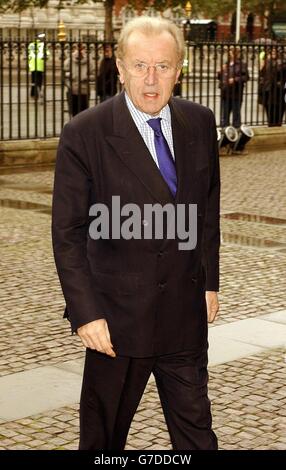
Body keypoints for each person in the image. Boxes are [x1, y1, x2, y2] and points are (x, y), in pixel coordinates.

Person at [52, 16, 220, 451]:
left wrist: (209, 280)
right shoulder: (85, 133)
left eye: (163, 66)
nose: (151, 79)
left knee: (198, 439)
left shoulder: (199, 122)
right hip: (117, 326)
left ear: (179, 70)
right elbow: (68, 233)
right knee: (104, 442)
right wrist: (86, 314)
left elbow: (206, 210)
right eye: (140, 65)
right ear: (120, 69)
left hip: (184, 317)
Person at [217, 46, 249, 128]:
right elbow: (220, 77)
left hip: (236, 94)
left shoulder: (242, 64)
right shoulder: (226, 64)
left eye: (234, 52)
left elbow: (246, 77)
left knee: (236, 115)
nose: (232, 54)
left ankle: (236, 131)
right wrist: (220, 72)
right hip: (225, 93)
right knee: (225, 115)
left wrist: (235, 79)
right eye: (231, 52)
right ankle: (225, 132)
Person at [64, 44, 95, 117]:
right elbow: (64, 74)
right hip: (72, 91)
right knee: (74, 114)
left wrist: (86, 77)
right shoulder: (69, 61)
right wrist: (69, 80)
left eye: (82, 48)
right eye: (78, 48)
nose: (80, 50)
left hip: (84, 91)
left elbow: (93, 75)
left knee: (84, 114)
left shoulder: (89, 61)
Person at [258, 46, 286, 126]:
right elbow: (262, 76)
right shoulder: (266, 62)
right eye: (272, 51)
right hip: (268, 91)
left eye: (275, 51)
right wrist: (261, 68)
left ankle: (277, 127)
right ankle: (271, 126)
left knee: (278, 115)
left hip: (279, 92)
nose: (273, 52)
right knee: (270, 116)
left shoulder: (283, 62)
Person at [28, 33, 49, 100]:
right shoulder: (43, 45)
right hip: (40, 64)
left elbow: (29, 53)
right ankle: (39, 93)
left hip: (32, 64)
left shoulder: (31, 44)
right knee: (39, 80)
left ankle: (33, 94)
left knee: (33, 80)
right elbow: (47, 55)